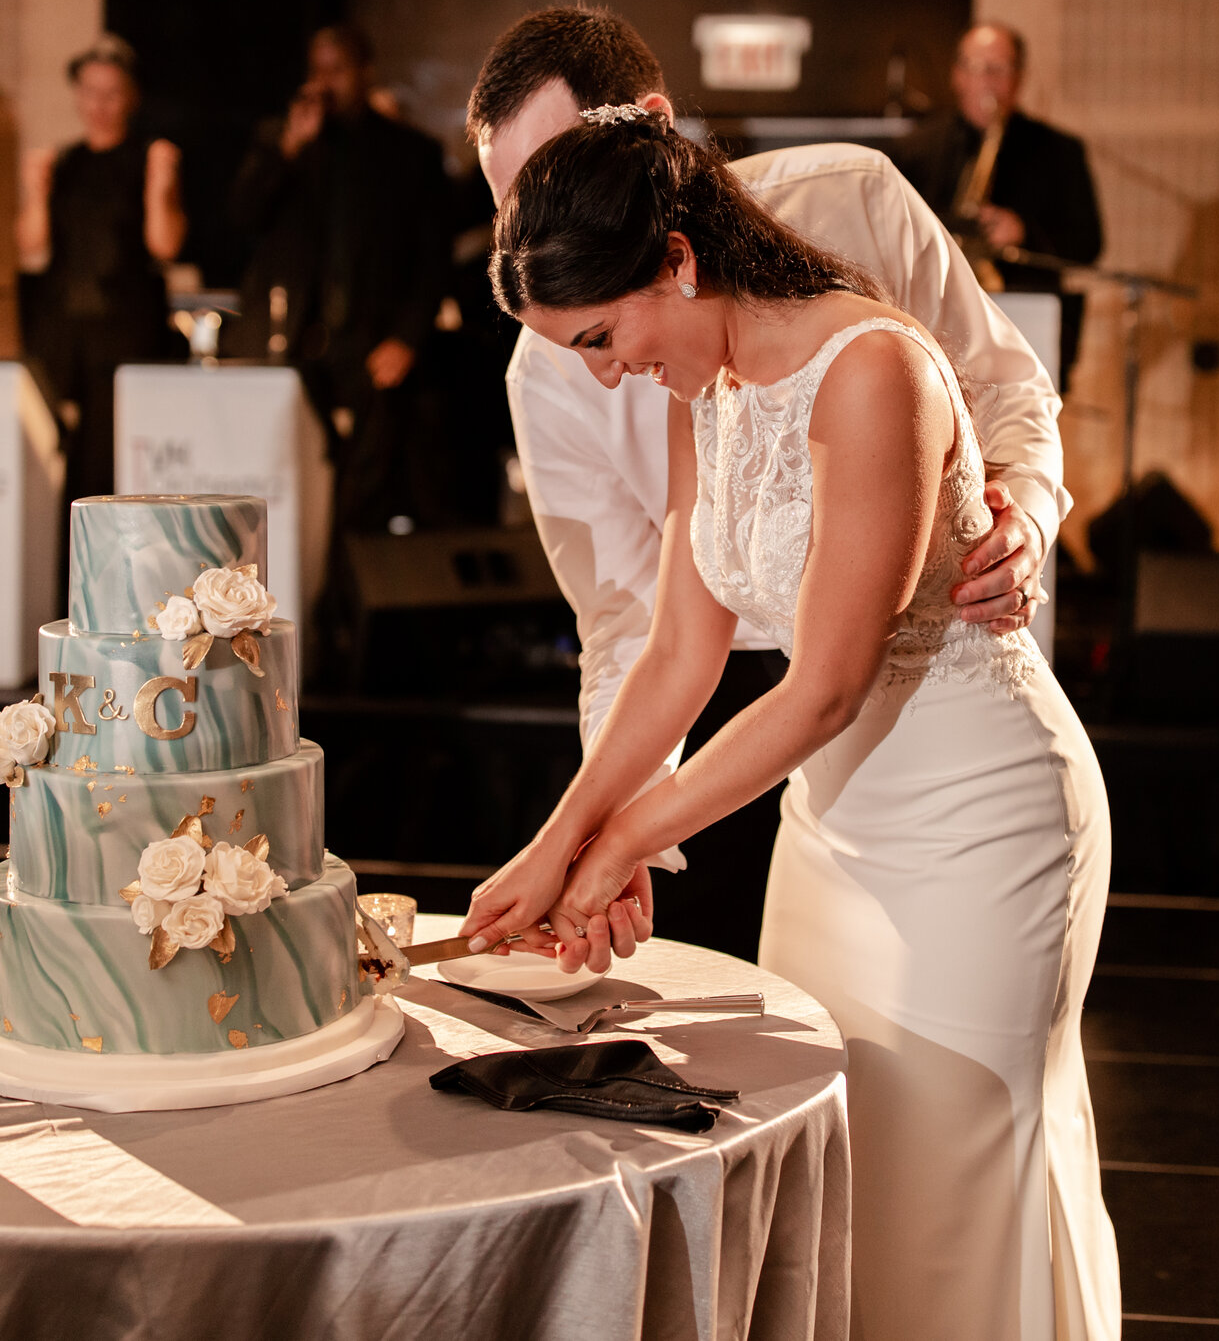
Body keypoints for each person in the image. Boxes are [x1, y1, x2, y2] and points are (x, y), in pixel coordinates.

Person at [462, 106, 1117, 1341]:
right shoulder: (696, 387)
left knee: (956, 1188)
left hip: (981, 820)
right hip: (832, 826)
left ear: (676, 256)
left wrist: (622, 847)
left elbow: (821, 681)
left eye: (602, 337)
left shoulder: (875, 366)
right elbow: (675, 655)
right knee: (847, 1176)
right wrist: (558, 838)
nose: (606, 372)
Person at [471, 6, 1065, 961]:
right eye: (515, 204)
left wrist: (1024, 515)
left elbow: (1006, 389)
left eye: (562, 177)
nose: (541, 223)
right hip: (778, 758)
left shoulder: (852, 217)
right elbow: (642, 631)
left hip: (942, 745)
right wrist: (579, 838)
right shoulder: (580, 374)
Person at [229, 25, 452, 533]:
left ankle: (349, 606)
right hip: (294, 346)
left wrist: (406, 337)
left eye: (337, 69)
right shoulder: (286, 144)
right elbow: (243, 217)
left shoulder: (408, 151)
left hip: (371, 346)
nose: (325, 82)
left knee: (364, 493)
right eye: (317, 70)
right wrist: (289, 146)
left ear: (364, 73)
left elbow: (432, 257)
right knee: (293, 486)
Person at [16, 35, 187, 500]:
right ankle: (52, 563)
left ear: (131, 97)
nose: (99, 104)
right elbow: (31, 248)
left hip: (124, 331)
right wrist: (34, 190)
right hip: (64, 329)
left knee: (109, 459)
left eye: (111, 93)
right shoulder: (64, 162)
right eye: (90, 92)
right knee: (51, 449)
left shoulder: (148, 158)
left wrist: (161, 187)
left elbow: (166, 245)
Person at [893, 22, 1104, 388]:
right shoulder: (916, 149)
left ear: (1019, 78)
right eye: (975, 68)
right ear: (957, 76)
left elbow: (1089, 242)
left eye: (998, 69)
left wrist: (1025, 232)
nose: (986, 81)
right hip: (936, 322)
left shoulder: (1060, 151)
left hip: (1025, 326)